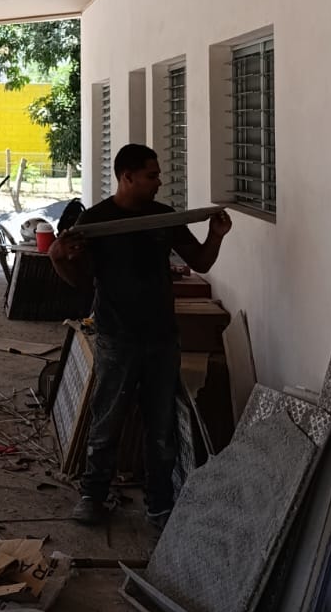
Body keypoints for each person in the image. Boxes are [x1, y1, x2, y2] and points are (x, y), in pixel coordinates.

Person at [50, 142, 231, 530]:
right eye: (152, 175)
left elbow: (200, 260)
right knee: (107, 420)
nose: (159, 181)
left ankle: (159, 504)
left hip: (162, 338)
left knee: (161, 427)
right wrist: (59, 259)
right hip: (117, 338)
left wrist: (216, 235)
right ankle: (93, 495)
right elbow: (80, 282)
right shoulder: (96, 222)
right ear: (127, 177)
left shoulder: (164, 218)